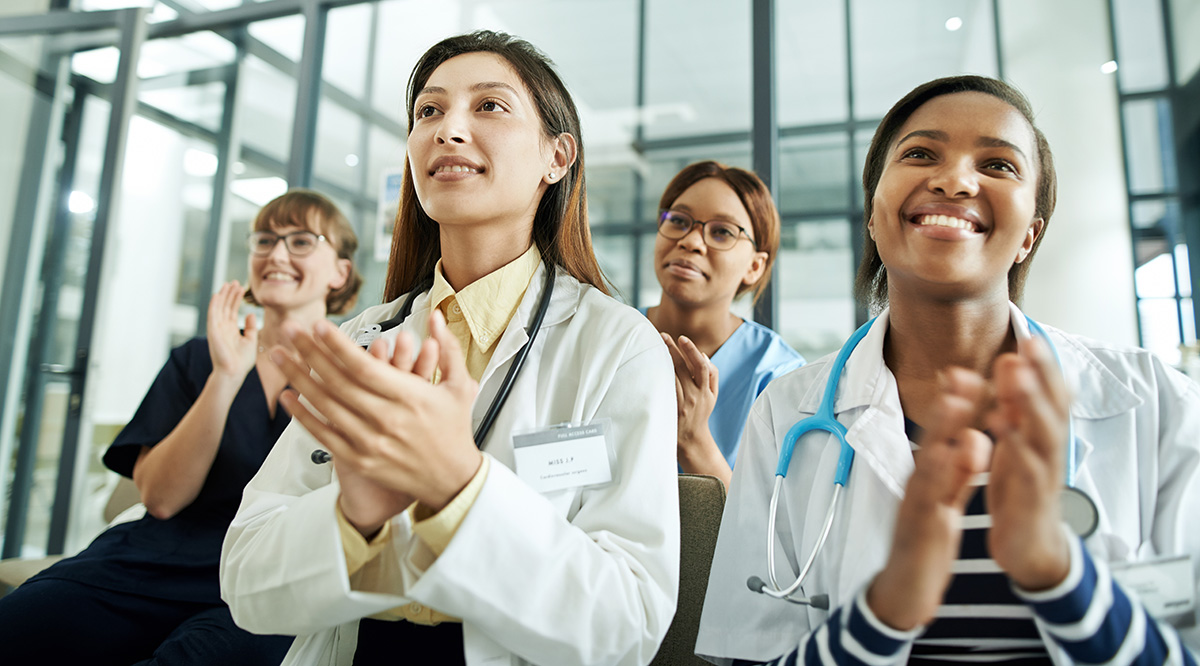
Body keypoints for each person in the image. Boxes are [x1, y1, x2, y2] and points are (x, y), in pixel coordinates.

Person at [696, 75, 1200, 665]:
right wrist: (882, 615)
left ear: (1028, 236)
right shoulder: (787, 414)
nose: (955, 179)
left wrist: (1063, 581)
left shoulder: (1158, 403)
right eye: (919, 154)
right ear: (874, 214)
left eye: (999, 165)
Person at [219, 31, 678, 666]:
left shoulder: (617, 347)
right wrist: (357, 518)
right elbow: (246, 583)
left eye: (489, 106)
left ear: (558, 156)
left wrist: (458, 489)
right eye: (428, 112)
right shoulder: (362, 341)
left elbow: (626, 626)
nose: (447, 130)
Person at [0, 189, 363, 665]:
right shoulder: (199, 359)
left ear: (340, 271)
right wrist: (224, 379)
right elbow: (161, 498)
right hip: (148, 559)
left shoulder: (356, 369)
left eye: (301, 241)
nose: (276, 254)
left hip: (262, 576)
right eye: (264, 240)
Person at [643, 161, 804, 487]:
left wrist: (692, 439)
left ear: (755, 267)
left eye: (722, 232)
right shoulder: (610, 336)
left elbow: (773, 527)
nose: (691, 242)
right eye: (678, 221)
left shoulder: (779, 376)